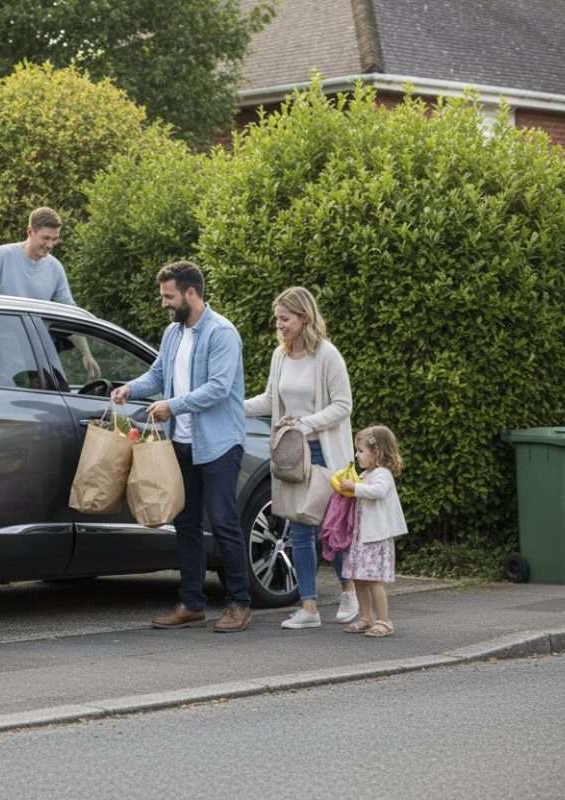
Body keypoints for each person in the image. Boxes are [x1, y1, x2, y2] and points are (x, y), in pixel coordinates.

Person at [110, 261, 252, 633]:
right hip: (182, 443)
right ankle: (192, 603)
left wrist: (172, 405)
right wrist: (130, 388)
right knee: (185, 523)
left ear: (191, 293)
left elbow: (219, 389)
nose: (164, 304)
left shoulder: (222, 333)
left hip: (219, 444)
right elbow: (158, 374)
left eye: (169, 297)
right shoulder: (173, 333)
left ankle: (239, 603)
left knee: (223, 521)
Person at [244, 287, 357, 630]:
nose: (279, 325)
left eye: (285, 319)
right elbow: (268, 399)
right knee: (300, 526)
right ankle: (309, 606)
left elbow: (343, 405)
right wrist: (232, 407)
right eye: (277, 319)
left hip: (322, 450)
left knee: (331, 527)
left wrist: (305, 423)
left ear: (304, 318)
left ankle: (349, 590)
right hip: (291, 454)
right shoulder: (280, 355)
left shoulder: (327, 355)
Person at [0, 207, 99, 380]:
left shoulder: (55, 268)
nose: (50, 245)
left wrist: (86, 354)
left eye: (55, 239)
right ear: (30, 232)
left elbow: (69, 312)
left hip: (34, 360)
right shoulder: (2, 256)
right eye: (45, 238)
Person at [339, 425, 407, 638]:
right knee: (359, 578)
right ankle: (366, 617)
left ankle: (384, 621)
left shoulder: (382, 474)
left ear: (376, 452)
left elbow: (378, 492)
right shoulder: (365, 473)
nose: (357, 455)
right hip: (362, 537)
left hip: (375, 538)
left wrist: (355, 488)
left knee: (373, 580)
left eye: (360, 450)